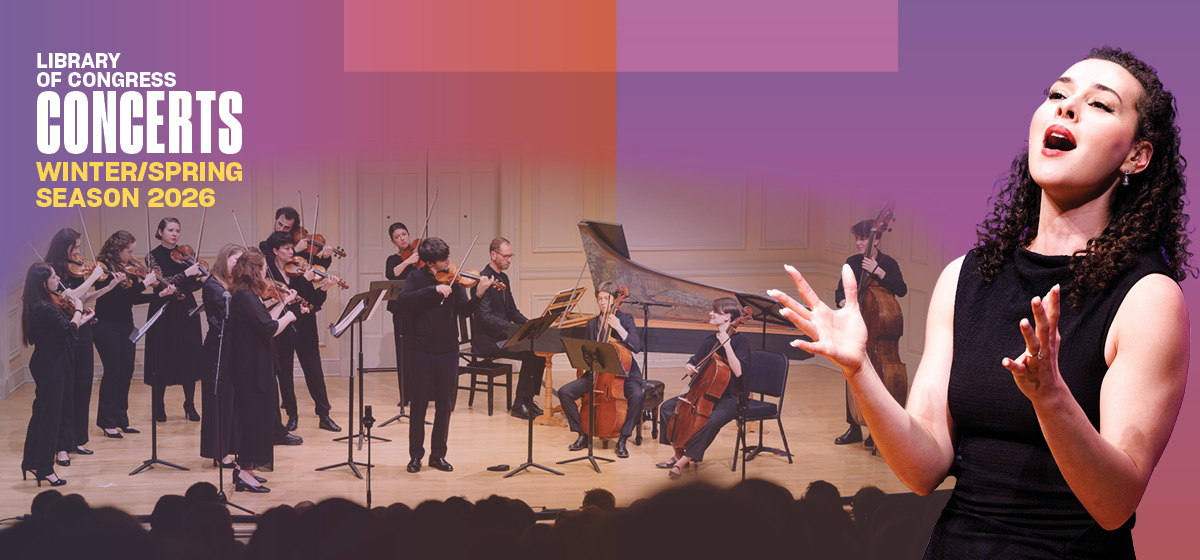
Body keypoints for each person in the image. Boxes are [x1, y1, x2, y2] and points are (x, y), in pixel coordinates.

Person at [769, 47, 1191, 557]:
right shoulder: (964, 278)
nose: (1067, 107)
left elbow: (1114, 503)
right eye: (1058, 94)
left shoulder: (1148, 297)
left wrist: (1051, 398)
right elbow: (923, 470)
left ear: (1136, 156)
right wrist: (860, 371)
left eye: (1100, 105)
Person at [395, 237, 492, 473]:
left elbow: (464, 311)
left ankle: (438, 455)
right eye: (443, 260)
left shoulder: (456, 279)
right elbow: (403, 300)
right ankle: (415, 455)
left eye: (448, 257)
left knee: (445, 406)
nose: (449, 262)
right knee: (418, 405)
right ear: (429, 263)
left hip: (448, 349)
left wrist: (478, 294)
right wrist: (433, 290)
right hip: (421, 351)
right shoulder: (415, 278)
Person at [227, 248, 298, 493]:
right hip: (251, 368)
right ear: (255, 270)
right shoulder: (245, 296)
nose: (267, 271)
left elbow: (263, 319)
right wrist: (288, 319)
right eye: (264, 267)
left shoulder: (248, 295)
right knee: (254, 419)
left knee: (257, 418)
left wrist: (284, 304)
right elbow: (268, 328)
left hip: (255, 363)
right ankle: (245, 472)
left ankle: (246, 470)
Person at [832, 218, 908, 447]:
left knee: (878, 383)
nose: (858, 243)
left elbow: (901, 290)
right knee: (852, 376)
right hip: (856, 329)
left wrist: (879, 272)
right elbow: (839, 291)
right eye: (856, 238)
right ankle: (854, 426)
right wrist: (842, 300)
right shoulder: (852, 263)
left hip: (878, 333)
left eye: (863, 238)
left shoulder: (889, 263)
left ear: (876, 239)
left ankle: (876, 430)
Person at [44, 228, 118, 463]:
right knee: (66, 389)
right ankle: (61, 446)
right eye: (74, 247)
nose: (78, 252)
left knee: (83, 386)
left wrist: (107, 288)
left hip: (83, 329)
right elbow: (71, 295)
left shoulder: (74, 267)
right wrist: (94, 278)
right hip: (65, 331)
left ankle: (77, 439)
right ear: (62, 247)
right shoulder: (51, 270)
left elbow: (81, 299)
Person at [656, 297, 750, 479]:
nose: (710, 314)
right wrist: (688, 366)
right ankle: (677, 452)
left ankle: (681, 462)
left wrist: (727, 345)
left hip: (730, 399)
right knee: (667, 408)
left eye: (715, 311)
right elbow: (694, 360)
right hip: (702, 394)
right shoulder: (710, 340)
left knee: (711, 422)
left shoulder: (740, 341)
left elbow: (738, 372)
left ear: (728, 317)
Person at [20, 262, 95, 487]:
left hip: (49, 362)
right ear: (44, 282)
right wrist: (79, 308)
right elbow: (68, 329)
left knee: (41, 414)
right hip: (51, 365)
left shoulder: (38, 304)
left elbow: (64, 328)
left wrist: (83, 318)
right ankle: (44, 468)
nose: (57, 280)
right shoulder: (43, 307)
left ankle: (31, 462)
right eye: (53, 277)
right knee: (50, 418)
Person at [262, 230, 343, 432]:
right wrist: (304, 281)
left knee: (315, 373)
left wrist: (325, 287)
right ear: (275, 251)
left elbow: (313, 302)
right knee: (285, 375)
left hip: (306, 328)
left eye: (292, 248)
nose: (292, 252)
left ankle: (324, 415)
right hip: (282, 329)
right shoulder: (268, 274)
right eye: (287, 249)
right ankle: (292, 415)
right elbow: (271, 304)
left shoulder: (299, 271)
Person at [93, 231, 168, 438]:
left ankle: (121, 419)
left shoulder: (128, 268)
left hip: (126, 325)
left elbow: (132, 299)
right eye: (129, 252)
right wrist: (144, 283)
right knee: (113, 373)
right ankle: (107, 422)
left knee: (125, 373)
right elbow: (117, 296)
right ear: (118, 250)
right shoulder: (102, 269)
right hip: (106, 326)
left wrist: (158, 295)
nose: (132, 256)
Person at [558, 283, 644, 458]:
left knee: (638, 395)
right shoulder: (592, 323)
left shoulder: (626, 319)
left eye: (607, 298)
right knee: (564, 392)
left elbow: (637, 347)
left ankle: (623, 438)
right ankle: (582, 434)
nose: (603, 302)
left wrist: (618, 327)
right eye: (600, 299)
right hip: (597, 375)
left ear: (614, 300)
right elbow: (587, 352)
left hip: (625, 375)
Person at [470, 237, 547, 419]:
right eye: (506, 256)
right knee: (530, 352)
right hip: (488, 340)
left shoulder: (503, 278)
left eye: (511, 256)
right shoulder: (482, 280)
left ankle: (528, 399)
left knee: (541, 350)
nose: (509, 260)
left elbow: (512, 311)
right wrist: (513, 329)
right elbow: (486, 317)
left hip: (502, 335)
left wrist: (530, 325)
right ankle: (519, 405)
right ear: (493, 255)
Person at [144, 217, 206, 423]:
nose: (175, 234)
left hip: (185, 308)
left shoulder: (186, 254)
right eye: (170, 230)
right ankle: (158, 406)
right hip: (163, 309)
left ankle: (190, 405)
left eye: (177, 230)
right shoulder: (152, 256)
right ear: (160, 231)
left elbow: (191, 286)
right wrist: (186, 272)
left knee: (189, 355)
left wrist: (201, 278)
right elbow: (161, 282)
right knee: (161, 356)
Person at [199, 243, 243, 467]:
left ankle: (230, 447)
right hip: (217, 348)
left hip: (232, 348)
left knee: (233, 401)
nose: (239, 266)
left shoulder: (234, 283)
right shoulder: (213, 285)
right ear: (225, 259)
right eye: (236, 261)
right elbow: (232, 309)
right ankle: (218, 450)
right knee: (218, 402)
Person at [385, 222, 420, 412]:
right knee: (403, 352)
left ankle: (422, 393)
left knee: (420, 352)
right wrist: (407, 261)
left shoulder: (419, 255)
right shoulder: (393, 259)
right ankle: (405, 395)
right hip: (400, 309)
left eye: (404, 234)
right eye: (397, 237)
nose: (402, 239)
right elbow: (391, 275)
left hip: (419, 307)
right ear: (393, 241)